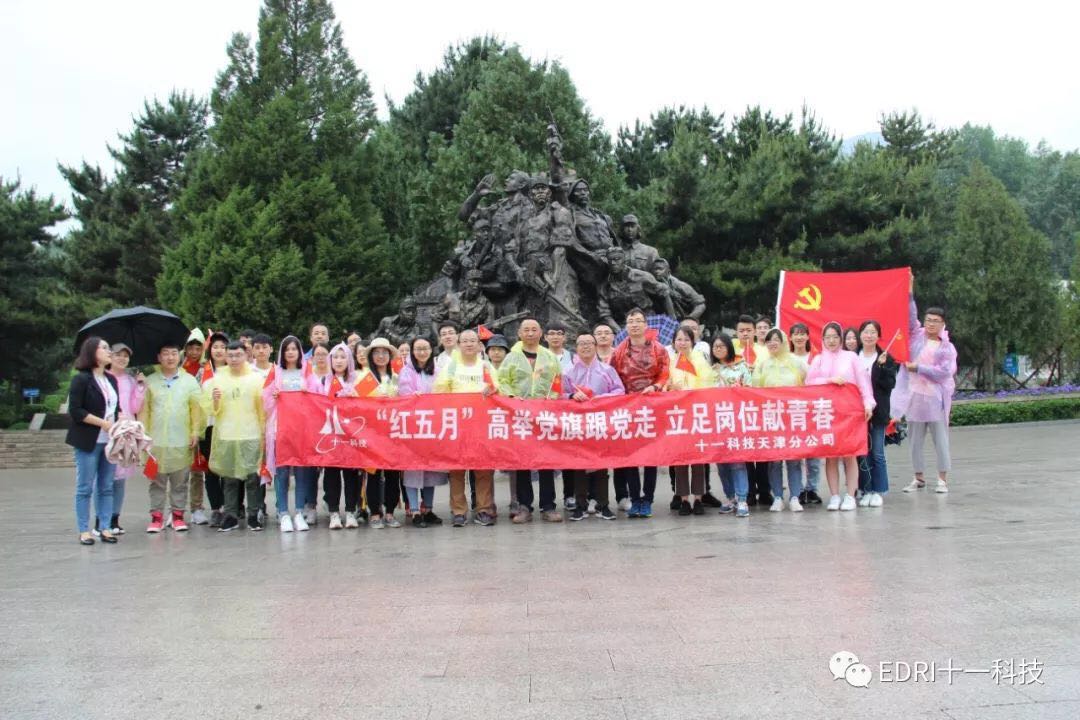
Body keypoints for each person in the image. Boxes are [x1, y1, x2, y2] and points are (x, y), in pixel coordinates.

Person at [895, 276, 957, 494]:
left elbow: (944, 372)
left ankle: (942, 479)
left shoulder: (946, 347)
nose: (931, 323)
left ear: (942, 323)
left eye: (935, 321)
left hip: (935, 399)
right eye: (928, 319)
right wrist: (909, 290)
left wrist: (918, 368)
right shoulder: (916, 336)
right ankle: (918, 477)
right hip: (914, 397)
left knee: (940, 440)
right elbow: (910, 316)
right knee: (914, 441)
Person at [498, 318, 564, 523]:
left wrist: (550, 400)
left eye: (534, 329)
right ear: (519, 333)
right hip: (520, 417)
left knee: (546, 462)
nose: (530, 333)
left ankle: (548, 506)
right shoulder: (511, 357)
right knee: (522, 462)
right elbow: (502, 381)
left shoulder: (549, 357)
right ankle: (524, 506)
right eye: (526, 330)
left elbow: (557, 382)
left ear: (540, 333)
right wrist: (512, 398)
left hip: (544, 416)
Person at [805, 322, 876, 511]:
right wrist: (829, 380)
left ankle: (850, 495)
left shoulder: (851, 357)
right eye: (827, 337)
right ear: (822, 339)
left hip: (849, 413)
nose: (831, 341)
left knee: (849, 455)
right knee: (831, 456)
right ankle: (835, 495)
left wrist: (868, 404)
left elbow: (864, 383)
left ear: (841, 338)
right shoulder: (818, 359)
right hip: (827, 413)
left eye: (835, 337)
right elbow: (809, 382)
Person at [434, 329, 499, 527]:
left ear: (479, 345)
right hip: (457, 425)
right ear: (458, 345)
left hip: (481, 425)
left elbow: (498, 389)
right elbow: (439, 392)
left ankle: (484, 509)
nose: (469, 344)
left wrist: (493, 389)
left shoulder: (486, 366)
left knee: (483, 469)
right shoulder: (451, 366)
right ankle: (458, 511)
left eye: (473, 341)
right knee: (456, 470)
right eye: (465, 341)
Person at [610, 307, 669, 518]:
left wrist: (655, 386)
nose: (634, 325)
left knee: (651, 456)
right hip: (628, 408)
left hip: (652, 406)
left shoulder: (659, 349)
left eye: (638, 321)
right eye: (630, 321)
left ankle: (648, 499)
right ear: (626, 326)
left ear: (645, 325)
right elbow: (613, 378)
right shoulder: (618, 351)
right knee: (631, 456)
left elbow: (665, 373)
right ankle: (635, 499)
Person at [139, 342, 203, 534]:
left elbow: (196, 410)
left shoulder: (189, 381)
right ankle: (156, 517)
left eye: (174, 353)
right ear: (159, 357)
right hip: (156, 441)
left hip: (181, 440)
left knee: (180, 482)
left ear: (179, 356)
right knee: (156, 482)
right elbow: (144, 410)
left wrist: (195, 432)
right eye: (165, 353)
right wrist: (143, 434)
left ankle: (177, 516)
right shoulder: (150, 381)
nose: (170, 357)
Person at [203, 340, 266, 532]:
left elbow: (262, 408)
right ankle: (230, 515)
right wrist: (214, 401)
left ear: (246, 355)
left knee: (252, 476)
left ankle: (253, 514)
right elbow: (209, 410)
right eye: (230, 355)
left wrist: (264, 431)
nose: (234, 359)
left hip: (251, 434)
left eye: (238, 355)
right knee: (229, 478)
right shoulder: (216, 380)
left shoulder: (256, 379)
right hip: (227, 434)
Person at [562, 331, 624, 521]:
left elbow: (620, 391)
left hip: (600, 422)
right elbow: (559, 395)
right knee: (579, 465)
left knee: (601, 465)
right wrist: (572, 396)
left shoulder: (607, 370)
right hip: (577, 424)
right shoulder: (568, 372)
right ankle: (580, 505)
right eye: (582, 343)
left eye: (589, 343)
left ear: (596, 346)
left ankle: (602, 505)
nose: (586, 346)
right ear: (576, 348)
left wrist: (599, 398)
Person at [67, 337, 120, 545]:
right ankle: (84, 530)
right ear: (92, 352)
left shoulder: (111, 380)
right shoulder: (81, 379)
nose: (109, 352)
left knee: (106, 486)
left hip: (110, 442)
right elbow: (76, 411)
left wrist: (122, 422)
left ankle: (105, 527)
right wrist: (102, 423)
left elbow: (115, 408)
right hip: (88, 441)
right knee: (85, 487)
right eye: (105, 348)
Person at [752, 328, 807, 512]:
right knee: (774, 460)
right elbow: (755, 389)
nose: (772, 343)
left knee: (793, 459)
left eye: (776, 339)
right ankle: (777, 496)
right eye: (769, 340)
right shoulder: (762, 364)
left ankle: (795, 496)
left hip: (792, 416)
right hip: (771, 417)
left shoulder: (797, 362)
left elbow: (808, 385)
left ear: (784, 341)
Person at [397, 336, 448, 528]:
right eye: (418, 348)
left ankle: (428, 509)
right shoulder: (406, 371)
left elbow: (444, 392)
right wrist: (413, 397)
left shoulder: (438, 370)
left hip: (432, 426)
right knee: (413, 469)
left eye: (425, 348)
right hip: (412, 427)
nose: (422, 352)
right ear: (412, 351)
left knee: (430, 470)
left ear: (431, 350)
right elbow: (403, 394)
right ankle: (415, 511)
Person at [667, 325, 716, 516]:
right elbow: (664, 384)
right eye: (679, 339)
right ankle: (684, 499)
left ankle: (698, 498)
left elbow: (708, 384)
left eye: (686, 339)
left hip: (697, 414)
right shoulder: (670, 361)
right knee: (680, 459)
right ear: (673, 342)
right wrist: (670, 387)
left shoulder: (700, 360)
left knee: (698, 458)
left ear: (693, 342)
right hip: (677, 415)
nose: (683, 343)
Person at [263, 335, 309, 532]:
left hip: (301, 430)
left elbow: (317, 397)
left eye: (294, 349)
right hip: (279, 429)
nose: (290, 352)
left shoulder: (307, 372)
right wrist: (273, 397)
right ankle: (283, 512)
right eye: (287, 349)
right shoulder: (275, 372)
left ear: (299, 352)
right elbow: (264, 399)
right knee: (282, 472)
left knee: (301, 472)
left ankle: (299, 512)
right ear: (282, 352)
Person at [319, 342, 364, 529]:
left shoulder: (357, 380)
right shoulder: (323, 380)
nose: (339, 361)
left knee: (351, 474)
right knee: (331, 475)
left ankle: (351, 511)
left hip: (352, 435)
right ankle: (334, 513)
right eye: (335, 357)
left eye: (343, 357)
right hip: (331, 434)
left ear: (349, 360)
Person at [102, 342, 145, 535]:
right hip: (106, 430)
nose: (122, 358)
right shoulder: (102, 378)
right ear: (110, 356)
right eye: (118, 354)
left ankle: (114, 518)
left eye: (126, 356)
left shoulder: (130, 380)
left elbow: (135, 407)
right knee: (105, 478)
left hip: (126, 433)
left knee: (120, 479)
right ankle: (102, 519)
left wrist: (141, 387)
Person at [361, 338, 403, 529]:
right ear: (371, 356)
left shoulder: (397, 377)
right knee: (373, 474)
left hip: (393, 433)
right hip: (372, 434)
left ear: (389, 355)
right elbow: (357, 404)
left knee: (393, 473)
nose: (380, 356)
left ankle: (390, 512)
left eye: (384, 352)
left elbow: (406, 400)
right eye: (376, 352)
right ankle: (375, 513)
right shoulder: (365, 378)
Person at [856, 320, 898, 508]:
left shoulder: (886, 358)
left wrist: (881, 368)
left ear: (878, 336)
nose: (869, 335)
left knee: (878, 453)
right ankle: (865, 489)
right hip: (857, 412)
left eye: (873, 332)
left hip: (878, 412)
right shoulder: (853, 357)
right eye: (866, 332)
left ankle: (879, 490)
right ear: (860, 335)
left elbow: (890, 385)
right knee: (862, 453)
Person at [710, 333, 752, 517]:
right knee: (722, 463)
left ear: (729, 347)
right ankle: (730, 498)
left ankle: (742, 499)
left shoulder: (742, 366)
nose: (718, 349)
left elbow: (751, 390)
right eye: (715, 346)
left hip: (737, 420)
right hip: (716, 422)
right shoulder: (710, 370)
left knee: (737, 462)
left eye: (722, 346)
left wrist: (739, 390)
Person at [198, 331, 230, 527]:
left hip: (228, 426)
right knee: (210, 470)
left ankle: (229, 506)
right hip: (208, 426)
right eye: (215, 347)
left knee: (226, 468)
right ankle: (216, 508)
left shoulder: (234, 371)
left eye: (223, 347)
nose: (219, 351)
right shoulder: (202, 373)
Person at [299, 341, 332, 526]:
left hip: (331, 429)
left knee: (331, 469)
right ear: (311, 358)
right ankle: (310, 505)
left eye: (324, 354)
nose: (320, 357)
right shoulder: (306, 376)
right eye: (317, 354)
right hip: (311, 430)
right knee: (310, 470)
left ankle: (329, 500)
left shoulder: (335, 376)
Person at [789, 323, 823, 505]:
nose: (799, 337)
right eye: (796, 334)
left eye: (802, 334)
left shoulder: (817, 357)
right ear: (790, 338)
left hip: (813, 409)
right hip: (792, 409)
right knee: (795, 450)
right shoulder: (786, 358)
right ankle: (798, 489)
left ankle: (812, 488)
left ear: (808, 337)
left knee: (813, 451)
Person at [181, 328, 208, 525]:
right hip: (180, 423)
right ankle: (176, 509)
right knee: (178, 470)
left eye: (198, 348)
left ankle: (197, 507)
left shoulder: (206, 369)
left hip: (200, 423)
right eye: (191, 348)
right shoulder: (178, 368)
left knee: (197, 469)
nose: (194, 352)